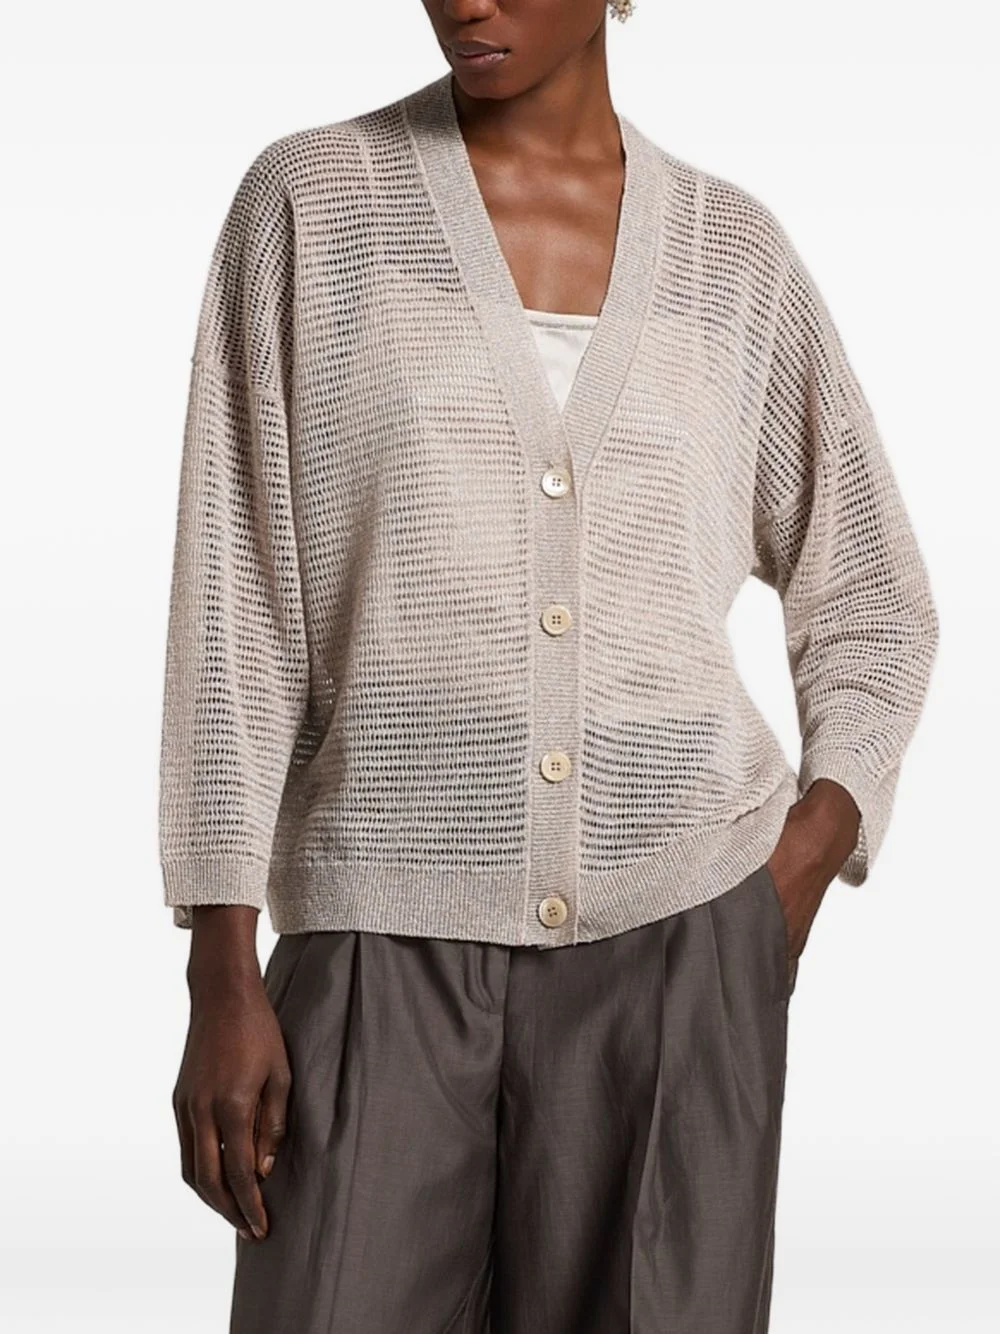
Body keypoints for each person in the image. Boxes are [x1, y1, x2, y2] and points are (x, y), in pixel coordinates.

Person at [159, 3, 939, 1331]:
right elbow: (237, 601)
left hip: (680, 940)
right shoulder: (312, 205)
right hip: (376, 943)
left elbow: (872, 591)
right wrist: (220, 960)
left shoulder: (734, 258)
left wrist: (803, 857)